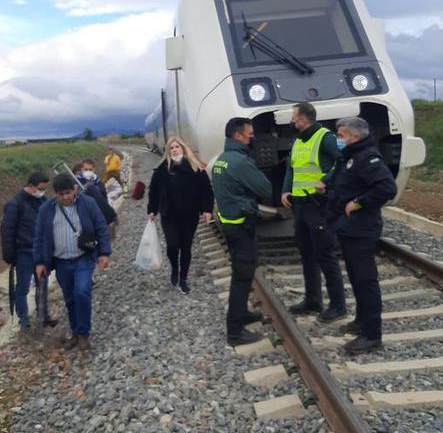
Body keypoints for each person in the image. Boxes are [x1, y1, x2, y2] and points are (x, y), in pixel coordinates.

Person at [330, 116, 397, 354]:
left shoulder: (368, 158)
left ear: (355, 136)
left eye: (341, 135)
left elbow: (387, 188)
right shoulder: (352, 156)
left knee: (365, 280)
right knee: (357, 278)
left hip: (362, 228)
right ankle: (361, 320)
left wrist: (358, 203)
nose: (339, 140)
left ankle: (372, 334)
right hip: (350, 228)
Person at [281, 103, 347, 322]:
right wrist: (285, 190)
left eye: (294, 117)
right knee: (306, 254)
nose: (292, 121)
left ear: (303, 119)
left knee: (325, 255)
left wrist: (326, 180)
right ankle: (313, 300)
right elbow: (292, 168)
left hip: (318, 205)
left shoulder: (325, 138)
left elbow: (343, 161)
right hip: (300, 206)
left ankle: (338, 306)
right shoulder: (298, 140)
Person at [33, 174, 112, 352]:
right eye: (61, 194)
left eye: (68, 193)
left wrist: (104, 253)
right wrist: (39, 262)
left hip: (83, 258)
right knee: (69, 298)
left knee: (82, 291)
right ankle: (75, 332)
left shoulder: (88, 204)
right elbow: (39, 237)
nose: (65, 197)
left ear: (74, 189)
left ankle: (84, 334)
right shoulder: (46, 209)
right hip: (61, 262)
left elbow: (101, 227)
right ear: (56, 194)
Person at [212, 117, 272, 346]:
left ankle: (243, 315)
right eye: (250, 134)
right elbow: (265, 189)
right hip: (241, 226)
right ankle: (235, 331)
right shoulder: (239, 162)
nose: (253, 137)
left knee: (242, 272)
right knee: (242, 276)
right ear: (238, 136)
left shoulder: (222, 159)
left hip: (230, 224)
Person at [147, 137, 214, 294]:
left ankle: (183, 278)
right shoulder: (161, 170)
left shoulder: (195, 168)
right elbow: (153, 192)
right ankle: (174, 269)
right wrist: (152, 210)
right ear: (168, 151)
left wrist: (207, 210)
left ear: (183, 149)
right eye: (171, 148)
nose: (175, 149)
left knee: (186, 247)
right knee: (172, 245)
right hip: (169, 215)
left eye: (177, 147)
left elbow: (207, 192)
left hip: (189, 215)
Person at [0, 172, 56, 331]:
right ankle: (23, 319)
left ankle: (43, 316)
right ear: (31, 187)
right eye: (40, 188)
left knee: (42, 285)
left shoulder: (43, 202)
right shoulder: (15, 204)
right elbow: (7, 231)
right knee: (22, 288)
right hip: (23, 252)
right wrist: (9, 256)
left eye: (45, 188)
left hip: (41, 252)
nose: (43, 191)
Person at [75, 161, 118, 227]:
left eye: (90, 169)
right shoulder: (77, 179)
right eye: (86, 169)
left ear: (94, 170)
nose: (88, 171)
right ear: (82, 169)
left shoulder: (96, 179)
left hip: (98, 210)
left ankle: (110, 217)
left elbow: (103, 195)